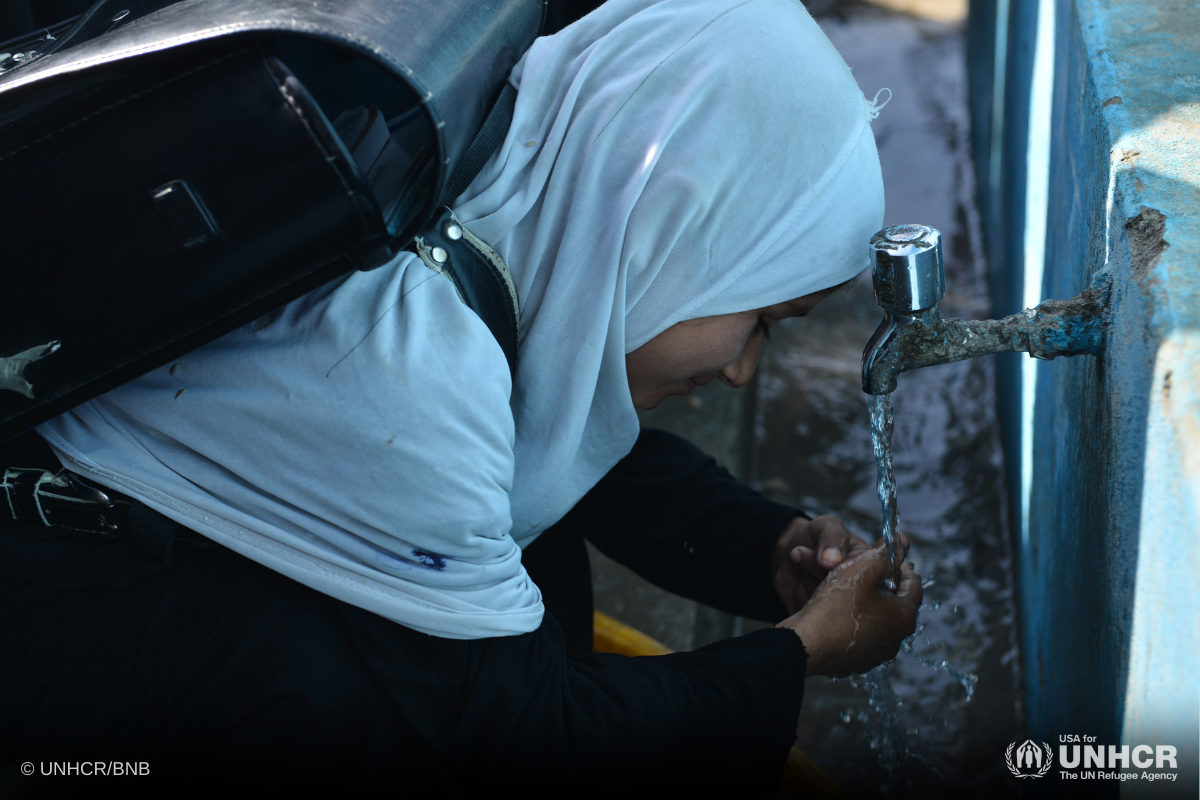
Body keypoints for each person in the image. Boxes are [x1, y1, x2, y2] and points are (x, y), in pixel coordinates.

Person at [1, 0, 921, 793]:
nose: (742, 371)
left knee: (511, 574)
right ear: (680, 224)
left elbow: (560, 436)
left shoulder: (481, 181)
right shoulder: (410, 372)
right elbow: (534, 743)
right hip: (56, 669)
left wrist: (761, 548)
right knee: (361, 715)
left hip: (110, 564)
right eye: (763, 315)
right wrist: (804, 649)